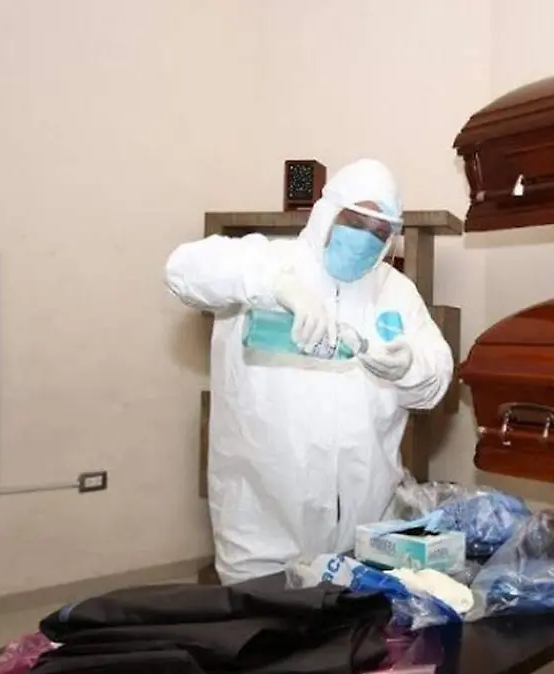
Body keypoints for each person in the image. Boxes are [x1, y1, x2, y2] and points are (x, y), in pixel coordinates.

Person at [164, 158, 454, 584]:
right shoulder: (269, 262)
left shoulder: (395, 292)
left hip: (365, 532)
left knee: (356, 627)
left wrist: (410, 366)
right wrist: (275, 287)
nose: (366, 238)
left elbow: (435, 381)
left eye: (380, 231)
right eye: (355, 221)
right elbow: (182, 270)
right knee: (266, 625)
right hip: (261, 536)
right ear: (326, 212)